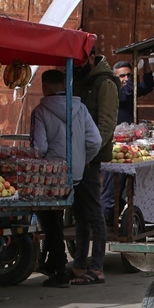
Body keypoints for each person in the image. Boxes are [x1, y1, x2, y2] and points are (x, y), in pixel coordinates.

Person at [31, 70, 103, 288]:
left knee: (52, 218)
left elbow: (40, 147)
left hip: (53, 174)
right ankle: (73, 263)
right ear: (64, 84)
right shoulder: (80, 108)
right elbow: (95, 140)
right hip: (78, 172)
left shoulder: (41, 111)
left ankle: (59, 267)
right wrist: (82, 160)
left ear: (44, 87)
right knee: (83, 216)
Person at [73, 48, 119, 284]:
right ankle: (80, 264)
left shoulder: (105, 83)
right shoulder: (80, 78)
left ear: (92, 58)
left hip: (91, 158)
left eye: (81, 61)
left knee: (93, 212)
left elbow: (107, 123)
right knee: (80, 213)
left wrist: (90, 153)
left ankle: (97, 266)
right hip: (79, 157)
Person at [113, 61, 154, 125]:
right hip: (117, 132)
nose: (126, 79)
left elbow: (147, 86)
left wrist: (145, 61)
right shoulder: (114, 91)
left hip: (130, 130)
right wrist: (135, 66)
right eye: (122, 76)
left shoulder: (131, 90)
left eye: (129, 75)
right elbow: (129, 90)